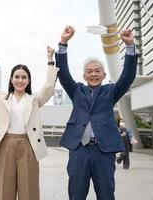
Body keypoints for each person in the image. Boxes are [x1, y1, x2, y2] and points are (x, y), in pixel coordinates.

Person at [55, 26, 137, 200]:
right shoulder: (76, 90)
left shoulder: (111, 91)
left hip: (104, 151)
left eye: (97, 71)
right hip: (79, 151)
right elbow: (63, 74)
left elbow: (128, 76)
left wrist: (130, 46)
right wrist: (63, 43)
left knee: (106, 195)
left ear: (103, 74)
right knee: (76, 195)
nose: (93, 74)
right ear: (84, 76)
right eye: (89, 72)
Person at [0, 46, 58, 200]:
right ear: (11, 79)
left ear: (28, 80)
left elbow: (49, 88)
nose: (20, 80)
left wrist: (50, 61)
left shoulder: (34, 100)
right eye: (17, 76)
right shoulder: (0, 98)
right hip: (6, 144)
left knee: (29, 191)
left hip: (28, 145)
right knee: (5, 191)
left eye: (24, 77)